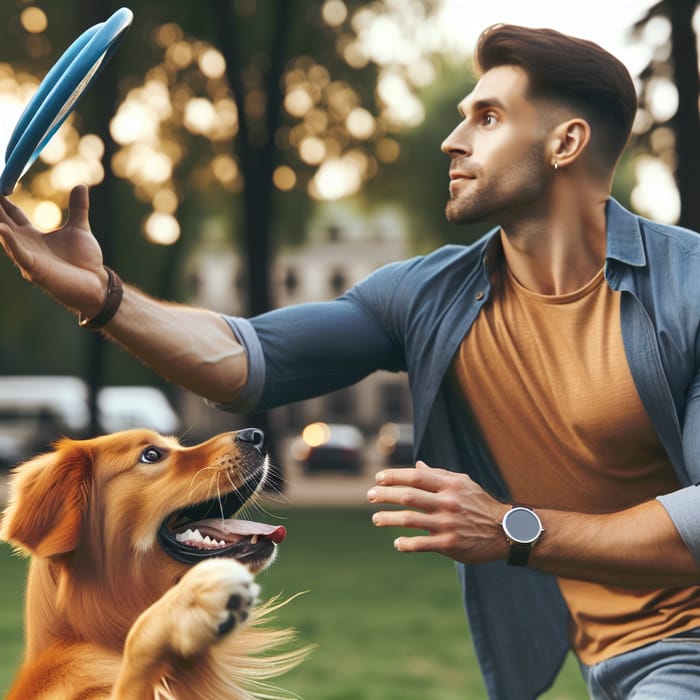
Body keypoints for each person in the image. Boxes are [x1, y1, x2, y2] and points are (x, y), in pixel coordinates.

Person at [1, 23, 700, 700]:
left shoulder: (689, 290)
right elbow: (250, 357)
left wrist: (513, 527)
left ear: (565, 142)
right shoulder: (429, 295)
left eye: (487, 117)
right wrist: (104, 296)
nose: (453, 141)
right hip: (618, 659)